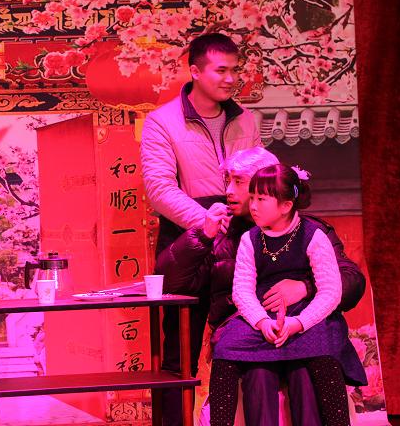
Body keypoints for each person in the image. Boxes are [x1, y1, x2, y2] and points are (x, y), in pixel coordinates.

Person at [156, 148, 366, 425]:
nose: (228, 191)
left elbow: (349, 280)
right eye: (228, 181)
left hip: (303, 322)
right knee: (257, 373)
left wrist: (305, 288)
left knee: (306, 369)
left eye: (239, 182)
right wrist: (202, 235)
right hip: (249, 327)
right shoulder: (223, 234)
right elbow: (171, 283)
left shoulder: (311, 231)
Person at [140, 33, 261, 425]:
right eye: (221, 70)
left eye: (235, 70)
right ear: (195, 71)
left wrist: (241, 218)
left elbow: (260, 177)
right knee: (178, 354)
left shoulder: (245, 119)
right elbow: (160, 190)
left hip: (241, 240)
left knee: (244, 340)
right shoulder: (162, 121)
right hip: (187, 240)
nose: (231, 79)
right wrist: (207, 223)